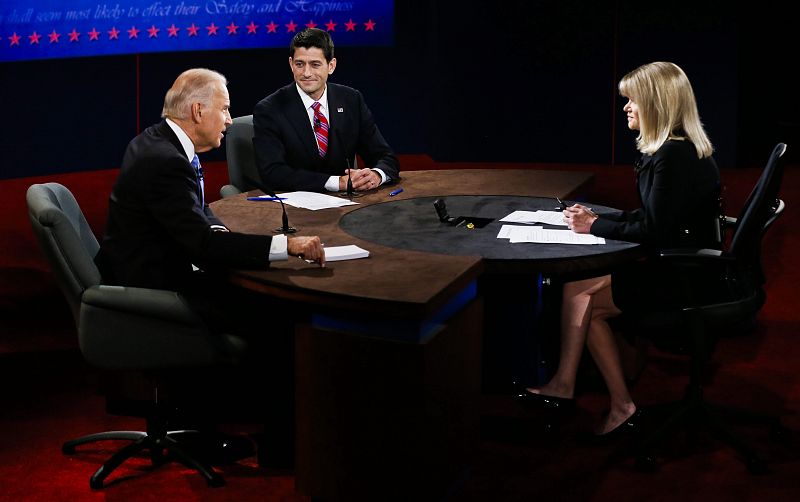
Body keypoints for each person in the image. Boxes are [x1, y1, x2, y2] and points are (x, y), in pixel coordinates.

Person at [95, 68, 325, 466]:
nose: (230, 120)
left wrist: (218, 231)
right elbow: (203, 246)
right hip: (153, 290)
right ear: (198, 111)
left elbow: (198, 215)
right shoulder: (164, 161)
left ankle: (243, 423)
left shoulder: (156, 141)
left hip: (146, 269)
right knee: (278, 314)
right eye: (225, 109)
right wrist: (287, 246)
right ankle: (282, 449)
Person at [519, 62, 721, 436]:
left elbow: (654, 229)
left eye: (633, 100)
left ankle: (592, 396)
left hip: (686, 278)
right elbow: (658, 215)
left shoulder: (672, 156)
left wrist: (594, 225)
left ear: (657, 104)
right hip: (686, 265)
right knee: (579, 290)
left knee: (581, 292)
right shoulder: (675, 149)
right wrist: (598, 219)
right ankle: (592, 396)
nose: (626, 107)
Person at [253, 27, 400, 193]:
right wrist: (337, 182)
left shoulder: (351, 100)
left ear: (331, 66)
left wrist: (376, 175)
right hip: (295, 203)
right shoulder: (270, 109)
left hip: (348, 202)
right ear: (291, 64)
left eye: (315, 65)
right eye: (299, 64)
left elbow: (385, 157)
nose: (306, 73)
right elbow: (273, 173)